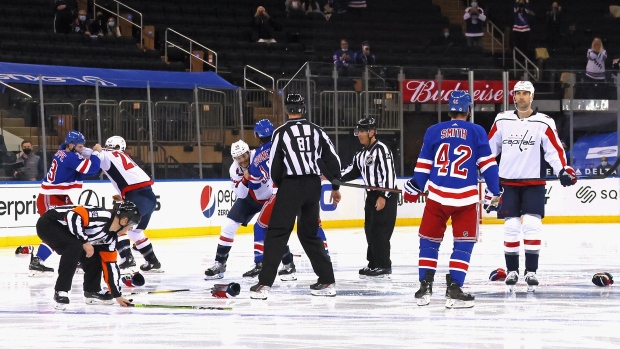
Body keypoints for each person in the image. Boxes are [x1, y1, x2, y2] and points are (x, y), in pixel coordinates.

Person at [403, 90, 502, 309]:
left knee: (428, 242)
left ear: (450, 109)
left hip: (437, 196)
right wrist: (495, 191)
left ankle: (424, 287)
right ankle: (454, 288)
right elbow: (488, 166)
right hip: (466, 199)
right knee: (463, 245)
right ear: (468, 109)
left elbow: (423, 167)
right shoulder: (477, 131)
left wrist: (415, 185)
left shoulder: (433, 130)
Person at [250, 94, 342, 300]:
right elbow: (332, 158)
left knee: (277, 233)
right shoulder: (317, 130)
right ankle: (327, 280)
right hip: (312, 185)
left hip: (291, 185)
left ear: (287, 110)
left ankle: (264, 284)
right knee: (309, 234)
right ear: (303, 109)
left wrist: (284, 186)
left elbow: (275, 165)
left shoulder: (281, 133)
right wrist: (335, 183)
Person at [488, 81, 577, 292]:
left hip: (534, 183)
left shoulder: (544, 122)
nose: (521, 97)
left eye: (525, 93)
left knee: (531, 224)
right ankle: (512, 271)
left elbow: (554, 151)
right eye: (518, 93)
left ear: (532, 96)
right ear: (514, 96)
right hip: (507, 183)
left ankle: (531, 272)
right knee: (510, 227)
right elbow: (490, 149)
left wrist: (562, 170)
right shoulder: (502, 119)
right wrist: (480, 170)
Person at [244, 119, 331, 280]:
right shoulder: (286, 141)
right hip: (306, 188)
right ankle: (325, 256)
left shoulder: (256, 157)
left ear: (257, 136)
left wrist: (249, 177)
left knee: (263, 227)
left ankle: (261, 263)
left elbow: (255, 185)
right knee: (313, 226)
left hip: (282, 194)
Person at [36, 201, 138, 310]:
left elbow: (110, 265)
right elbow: (73, 215)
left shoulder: (110, 239)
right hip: (49, 223)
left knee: (95, 257)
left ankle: (92, 290)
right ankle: (61, 291)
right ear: (124, 220)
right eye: (130, 227)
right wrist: (85, 242)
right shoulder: (103, 216)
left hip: (68, 233)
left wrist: (117, 295)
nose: (128, 230)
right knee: (75, 245)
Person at [29, 131, 102, 276]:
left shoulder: (63, 152)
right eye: (80, 146)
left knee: (72, 226)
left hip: (59, 196)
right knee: (59, 231)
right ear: (71, 145)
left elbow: (80, 164)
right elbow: (93, 169)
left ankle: (74, 258)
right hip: (50, 197)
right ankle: (38, 260)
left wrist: (87, 151)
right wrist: (96, 154)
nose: (81, 149)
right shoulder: (71, 157)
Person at [204, 140, 271, 279]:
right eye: (238, 158)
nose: (241, 160)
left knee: (272, 231)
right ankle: (220, 263)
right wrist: (246, 179)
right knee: (228, 226)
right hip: (250, 198)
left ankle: (288, 264)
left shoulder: (260, 157)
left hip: (270, 197)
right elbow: (240, 194)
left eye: (243, 156)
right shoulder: (234, 169)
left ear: (248, 152)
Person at [340, 118, 397, 279]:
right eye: (357, 131)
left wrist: (383, 196)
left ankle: (384, 265)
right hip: (371, 196)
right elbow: (352, 171)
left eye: (361, 131)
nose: (358, 134)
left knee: (381, 231)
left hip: (384, 194)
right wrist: (334, 177)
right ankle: (373, 263)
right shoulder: (361, 154)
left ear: (371, 132)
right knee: (370, 230)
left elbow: (389, 174)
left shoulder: (381, 149)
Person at [95, 136, 162, 272]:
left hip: (137, 197)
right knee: (136, 232)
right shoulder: (123, 156)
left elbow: (93, 164)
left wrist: (96, 151)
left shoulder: (106, 154)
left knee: (118, 226)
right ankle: (152, 261)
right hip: (149, 197)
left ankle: (127, 258)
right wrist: (125, 197)